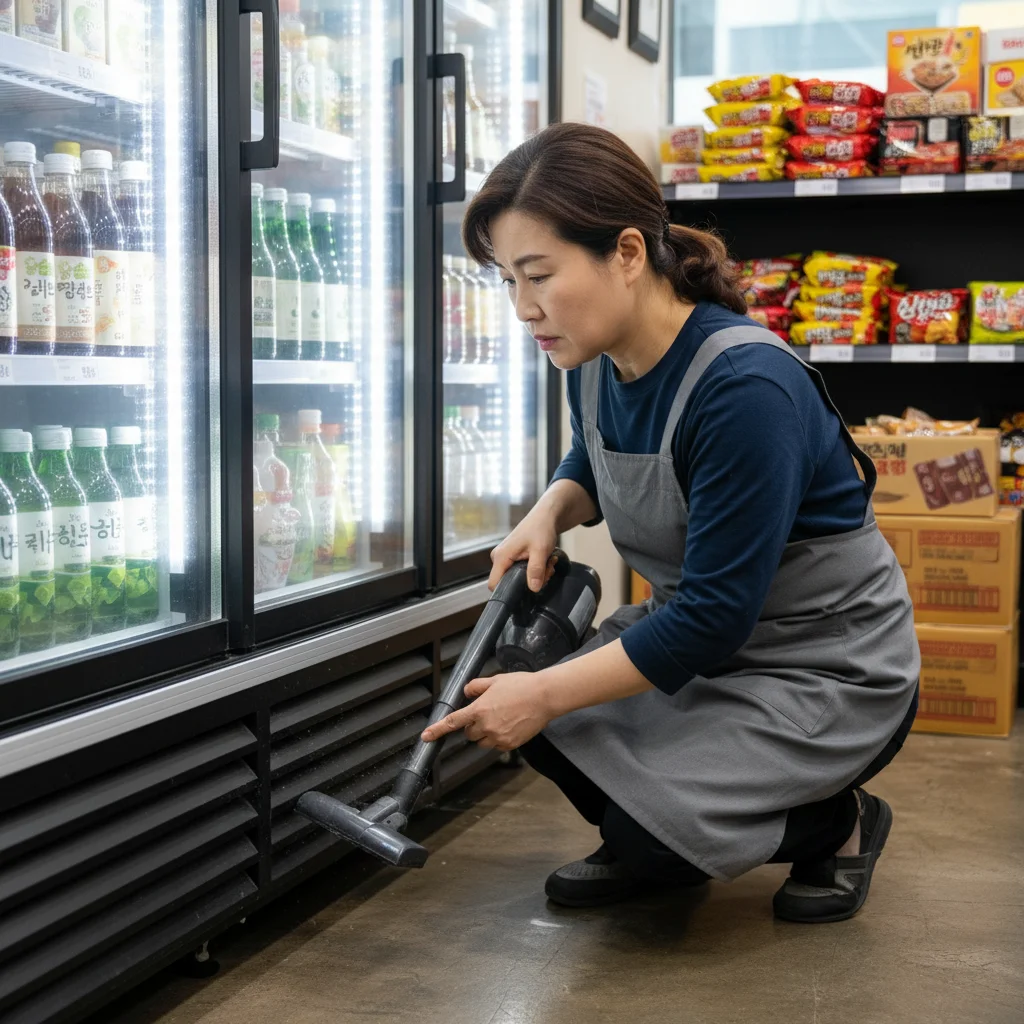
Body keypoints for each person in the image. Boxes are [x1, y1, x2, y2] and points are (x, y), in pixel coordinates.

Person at [421, 122, 920, 923]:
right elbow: (593, 455)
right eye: (508, 281)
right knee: (522, 693)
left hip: (823, 662)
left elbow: (713, 618)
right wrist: (552, 507)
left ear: (625, 253)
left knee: (572, 734)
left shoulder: (744, 390)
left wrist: (547, 692)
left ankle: (843, 822)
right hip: (707, 641)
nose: (523, 309)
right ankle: (659, 823)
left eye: (539, 275)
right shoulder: (591, 353)